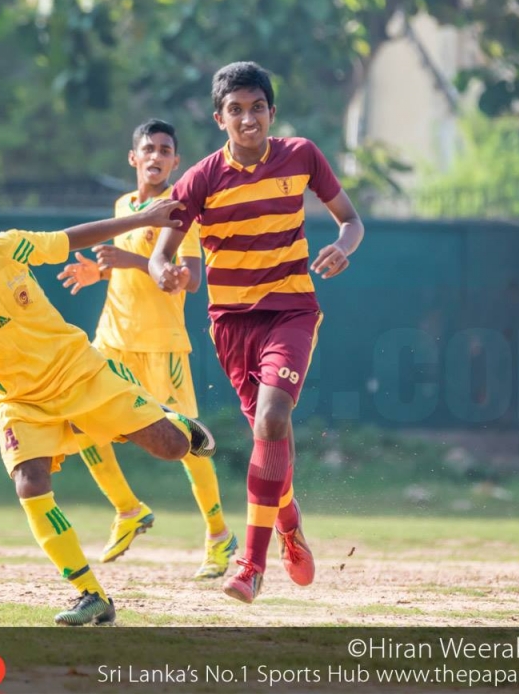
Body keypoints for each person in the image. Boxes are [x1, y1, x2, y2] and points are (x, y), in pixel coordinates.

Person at [0, 192, 217, 626]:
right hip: (22, 403)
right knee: (29, 483)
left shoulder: (8, 247)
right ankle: (91, 594)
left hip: (80, 372)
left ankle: (175, 423)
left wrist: (144, 219)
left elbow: (71, 239)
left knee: (172, 448)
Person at [148, 61, 365, 603]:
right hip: (231, 324)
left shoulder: (302, 155)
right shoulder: (200, 179)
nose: (249, 119)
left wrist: (343, 247)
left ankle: (250, 565)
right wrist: (165, 273)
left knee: (271, 420)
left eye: (258, 108)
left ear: (273, 111)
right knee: (270, 439)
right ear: (219, 119)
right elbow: (160, 255)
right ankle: (288, 524)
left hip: (291, 311)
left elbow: (351, 220)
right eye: (236, 110)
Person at [56, 119, 236, 579]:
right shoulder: (124, 205)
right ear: (133, 158)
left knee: (189, 443)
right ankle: (128, 509)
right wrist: (100, 272)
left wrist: (133, 261)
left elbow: (190, 280)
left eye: (165, 150)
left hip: (160, 346)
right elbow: (123, 268)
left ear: (176, 161)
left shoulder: (179, 210)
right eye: (149, 148)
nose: (156, 156)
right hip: (111, 340)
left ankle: (219, 535)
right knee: (81, 422)